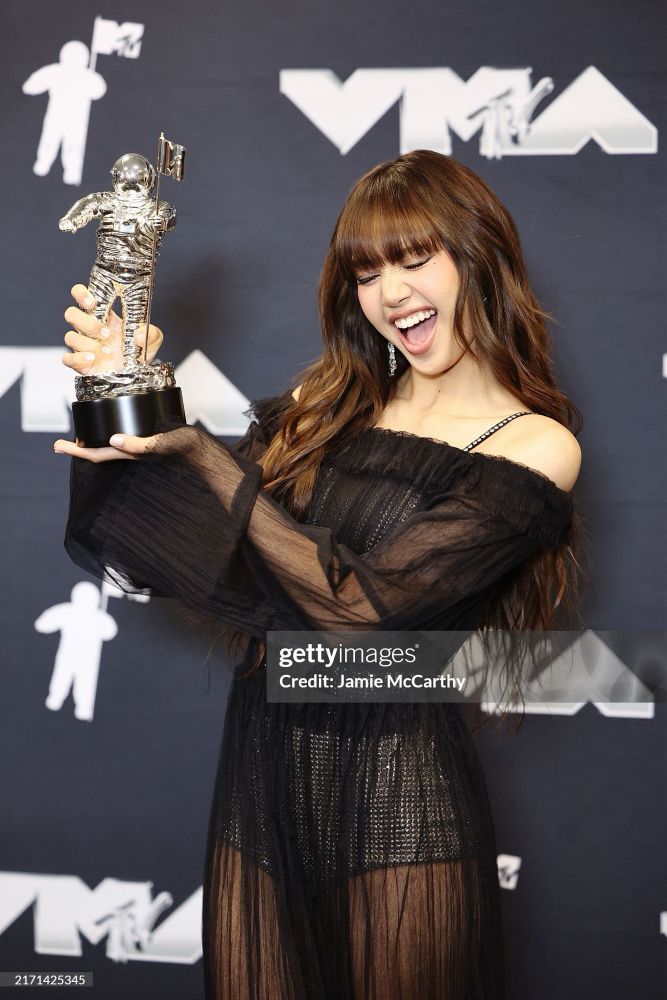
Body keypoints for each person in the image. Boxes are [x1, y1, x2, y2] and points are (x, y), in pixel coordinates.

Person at [54, 150, 584, 1000]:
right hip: (259, 787)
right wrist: (124, 392)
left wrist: (201, 451)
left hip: (399, 801)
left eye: (415, 260)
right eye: (367, 274)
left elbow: (361, 612)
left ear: (477, 257)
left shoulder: (532, 446)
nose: (391, 293)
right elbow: (194, 546)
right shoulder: (322, 408)